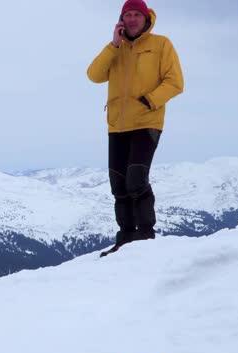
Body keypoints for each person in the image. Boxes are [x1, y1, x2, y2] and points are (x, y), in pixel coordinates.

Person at [86, 1, 184, 257]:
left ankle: (145, 233)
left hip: (146, 122)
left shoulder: (161, 44)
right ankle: (126, 237)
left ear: (146, 18)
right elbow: (94, 75)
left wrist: (150, 101)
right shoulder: (115, 48)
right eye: (127, 15)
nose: (131, 19)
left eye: (136, 15)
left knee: (135, 180)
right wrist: (113, 45)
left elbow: (175, 82)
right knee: (118, 185)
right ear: (121, 20)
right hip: (117, 125)